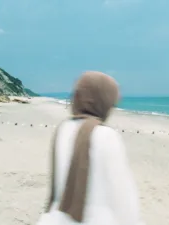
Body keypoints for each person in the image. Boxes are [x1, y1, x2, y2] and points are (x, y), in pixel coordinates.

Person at [36, 71, 144, 225]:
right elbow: (124, 196)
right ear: (102, 101)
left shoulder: (63, 128)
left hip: (57, 217)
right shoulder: (105, 135)